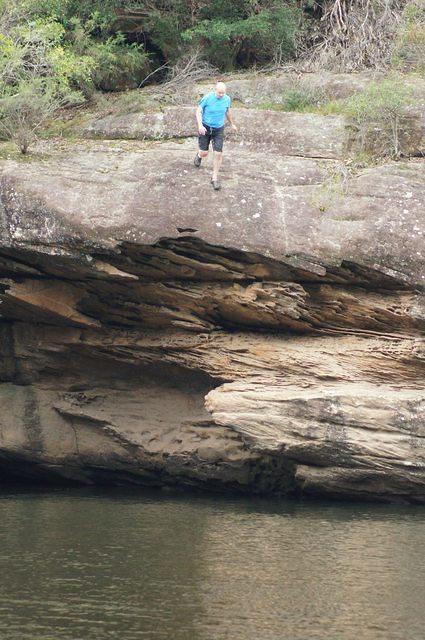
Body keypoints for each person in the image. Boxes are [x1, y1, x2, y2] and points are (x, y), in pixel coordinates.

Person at [194, 81, 238, 191]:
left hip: (218, 129)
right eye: (219, 93)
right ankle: (199, 155)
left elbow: (228, 112)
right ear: (215, 90)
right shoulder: (207, 98)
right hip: (205, 127)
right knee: (204, 153)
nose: (221, 95)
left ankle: (214, 178)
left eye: (223, 93)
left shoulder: (227, 99)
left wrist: (232, 124)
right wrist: (200, 125)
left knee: (218, 153)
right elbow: (198, 111)